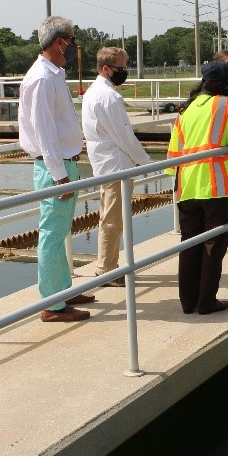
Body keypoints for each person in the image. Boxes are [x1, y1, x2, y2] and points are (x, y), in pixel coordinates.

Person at [20, 15, 95, 322]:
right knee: (52, 235)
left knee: (62, 230)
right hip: (56, 167)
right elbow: (43, 131)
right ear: (59, 42)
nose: (74, 48)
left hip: (64, 163)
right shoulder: (41, 78)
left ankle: (62, 289)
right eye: (72, 41)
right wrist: (59, 175)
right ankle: (52, 305)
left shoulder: (54, 74)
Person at [166, 61, 228, 314]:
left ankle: (187, 301)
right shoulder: (226, 104)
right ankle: (207, 301)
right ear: (224, 85)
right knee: (214, 244)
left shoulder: (186, 109)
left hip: (187, 185)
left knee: (189, 243)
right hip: (218, 184)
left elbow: (174, 155)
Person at [81, 46, 150, 287]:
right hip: (115, 164)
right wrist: (144, 161)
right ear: (106, 68)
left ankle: (107, 266)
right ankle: (107, 269)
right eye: (121, 68)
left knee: (111, 215)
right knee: (113, 218)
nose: (124, 72)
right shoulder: (108, 97)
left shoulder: (96, 92)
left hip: (106, 161)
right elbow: (124, 135)